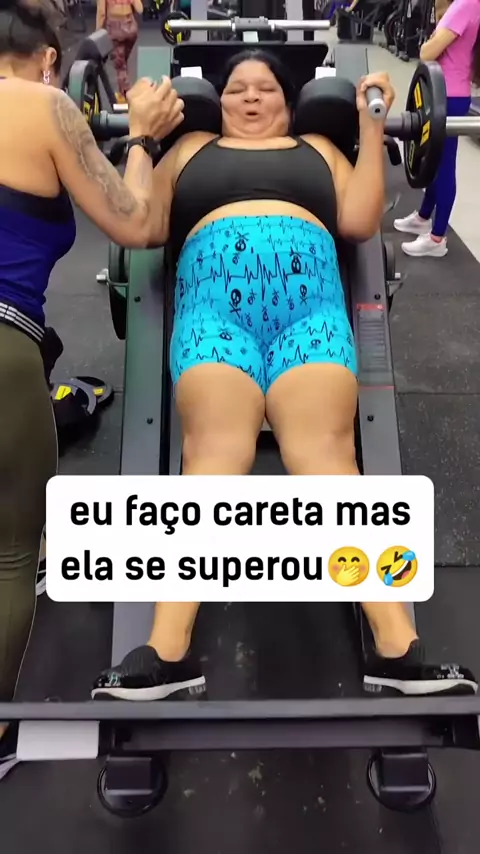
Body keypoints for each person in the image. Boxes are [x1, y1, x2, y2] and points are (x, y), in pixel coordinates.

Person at [91, 49, 478, 704]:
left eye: (265, 88)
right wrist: (140, 139)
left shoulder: (319, 151)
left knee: (328, 461)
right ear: (217, 102)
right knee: (212, 459)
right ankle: (166, 653)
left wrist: (372, 127)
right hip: (216, 314)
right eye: (236, 88)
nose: (249, 97)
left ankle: (398, 649)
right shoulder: (187, 151)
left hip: (311, 316)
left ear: (289, 101)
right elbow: (141, 225)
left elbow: (358, 220)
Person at [0, 0, 184, 780]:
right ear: (51, 60)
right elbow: (138, 224)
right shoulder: (42, 105)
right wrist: (141, 138)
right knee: (12, 553)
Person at [394, 0, 480, 256]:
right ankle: (423, 217)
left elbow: (427, 52)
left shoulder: (465, 5)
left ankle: (437, 238)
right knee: (433, 161)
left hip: (447, 96)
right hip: (444, 92)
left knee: (442, 165)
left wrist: (429, 42)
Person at [96, 0, 143, 103]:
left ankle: (126, 95)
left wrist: (97, 32)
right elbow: (140, 9)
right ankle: (122, 92)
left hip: (115, 28)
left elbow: (102, 13)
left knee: (120, 66)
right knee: (122, 61)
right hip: (130, 27)